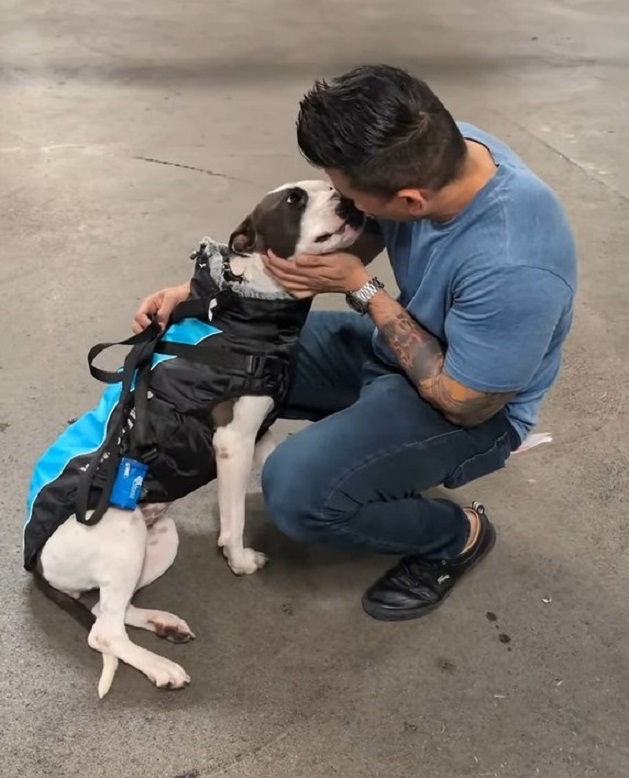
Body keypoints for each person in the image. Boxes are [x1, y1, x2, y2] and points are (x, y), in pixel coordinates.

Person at [133, 65, 576, 622]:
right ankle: (358, 444)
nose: (338, 203)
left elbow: (467, 400)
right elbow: (327, 249)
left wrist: (363, 291)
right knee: (227, 357)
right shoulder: (438, 144)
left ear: (410, 201)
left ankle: (454, 536)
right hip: (399, 343)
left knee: (295, 491)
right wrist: (200, 296)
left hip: (472, 403)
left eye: (347, 197)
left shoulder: (516, 265)